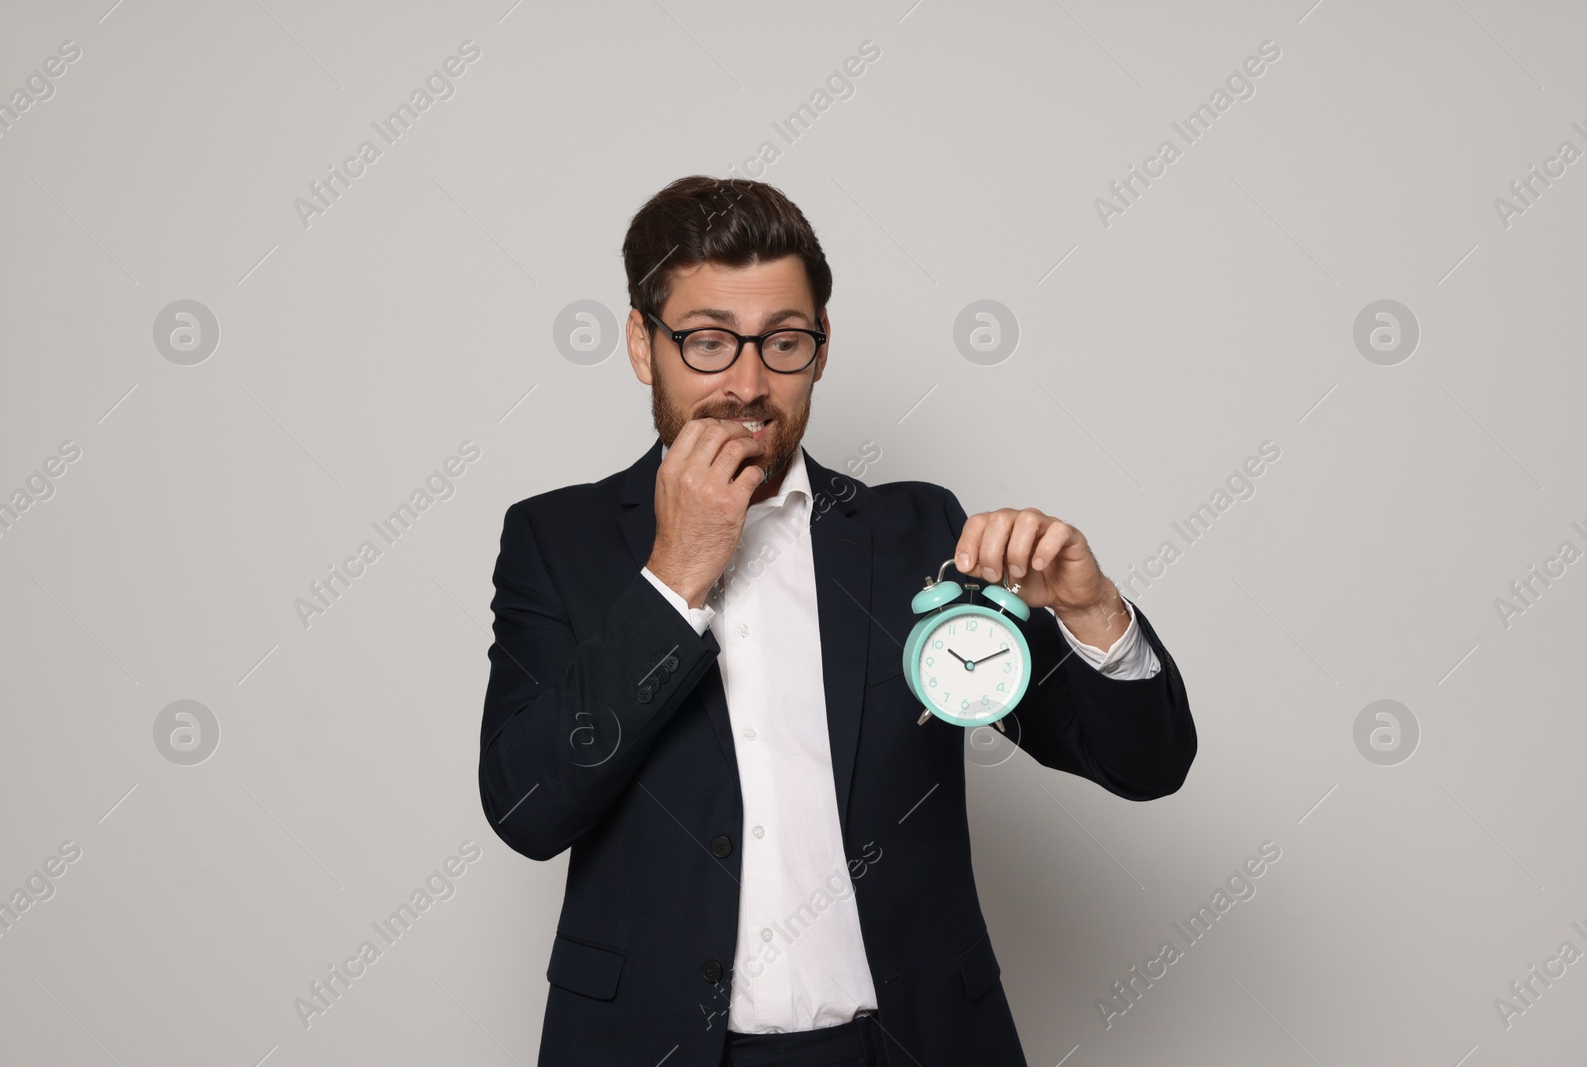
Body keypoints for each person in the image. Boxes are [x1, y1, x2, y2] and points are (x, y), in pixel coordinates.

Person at [478, 175, 1196, 1066]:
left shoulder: (919, 535)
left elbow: (1145, 765)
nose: (747, 383)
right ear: (641, 344)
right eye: (707, 342)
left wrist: (1093, 611)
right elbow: (526, 808)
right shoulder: (558, 539)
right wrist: (676, 575)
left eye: (783, 342)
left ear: (821, 349)